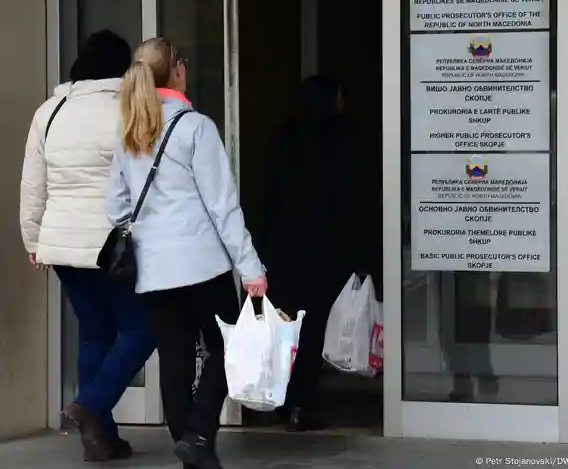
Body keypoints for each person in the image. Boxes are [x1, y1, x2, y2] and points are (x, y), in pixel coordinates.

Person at [105, 37, 267, 469]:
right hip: (202, 265)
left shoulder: (129, 132)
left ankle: (190, 446)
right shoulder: (196, 128)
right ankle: (198, 435)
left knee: (174, 358)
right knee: (231, 347)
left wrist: (151, 228)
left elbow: (115, 208)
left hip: (153, 271)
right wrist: (251, 267)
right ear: (176, 70)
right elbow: (222, 206)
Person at [19, 30, 156, 462]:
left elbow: (33, 183)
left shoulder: (51, 110)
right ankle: (91, 405)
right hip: (111, 243)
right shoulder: (127, 107)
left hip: (61, 243)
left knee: (94, 331)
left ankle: (100, 438)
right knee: (142, 328)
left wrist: (33, 239)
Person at [263, 76, 367, 431]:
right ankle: (301, 404)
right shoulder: (342, 141)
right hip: (324, 247)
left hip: (283, 246)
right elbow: (351, 198)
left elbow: (269, 194)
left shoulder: (285, 138)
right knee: (313, 329)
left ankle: (280, 399)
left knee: (285, 325)